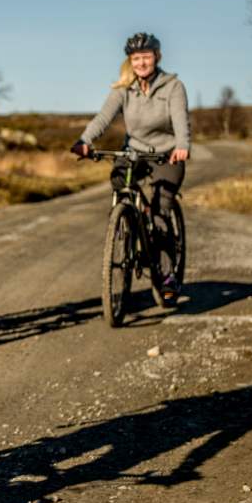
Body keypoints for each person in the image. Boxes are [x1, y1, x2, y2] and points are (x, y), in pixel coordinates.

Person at [72, 32, 191, 301]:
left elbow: (181, 121)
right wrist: (84, 140)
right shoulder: (124, 88)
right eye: (136, 58)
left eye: (146, 57)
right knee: (118, 180)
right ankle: (127, 220)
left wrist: (182, 146)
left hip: (166, 155)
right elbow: (103, 118)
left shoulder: (173, 87)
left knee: (161, 211)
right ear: (130, 61)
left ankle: (167, 273)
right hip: (134, 152)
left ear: (156, 57)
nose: (141, 63)